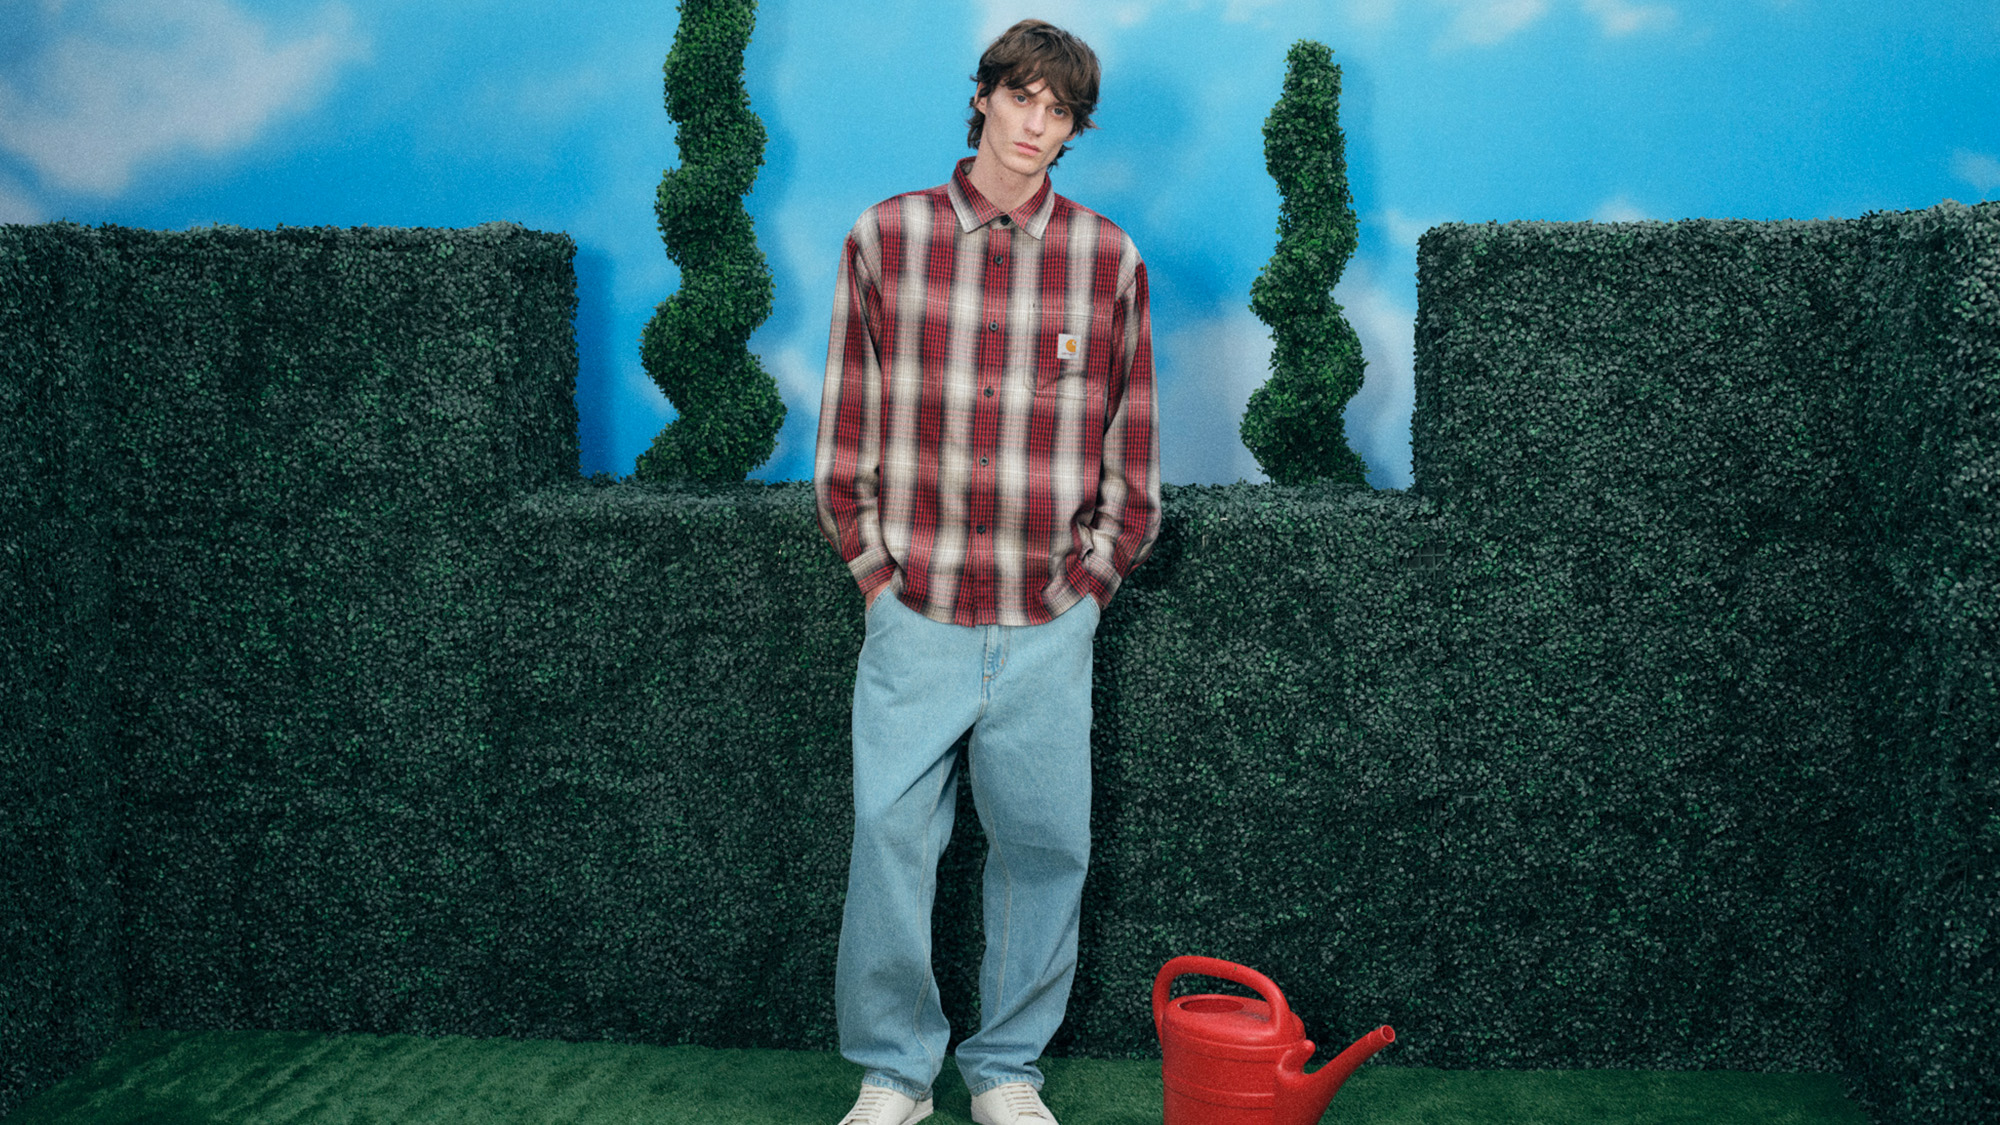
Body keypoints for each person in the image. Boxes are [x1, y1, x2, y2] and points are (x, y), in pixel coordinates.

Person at [812, 17, 1161, 1125]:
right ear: (981, 99)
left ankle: (1006, 1072)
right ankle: (895, 1074)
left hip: (1047, 615)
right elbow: (843, 435)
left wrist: (1091, 584)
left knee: (1045, 848)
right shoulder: (884, 237)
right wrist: (874, 570)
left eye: (1056, 111)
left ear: (1072, 131)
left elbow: (1130, 450)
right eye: (1019, 97)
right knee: (889, 842)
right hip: (913, 606)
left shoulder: (1109, 259)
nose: (1034, 124)